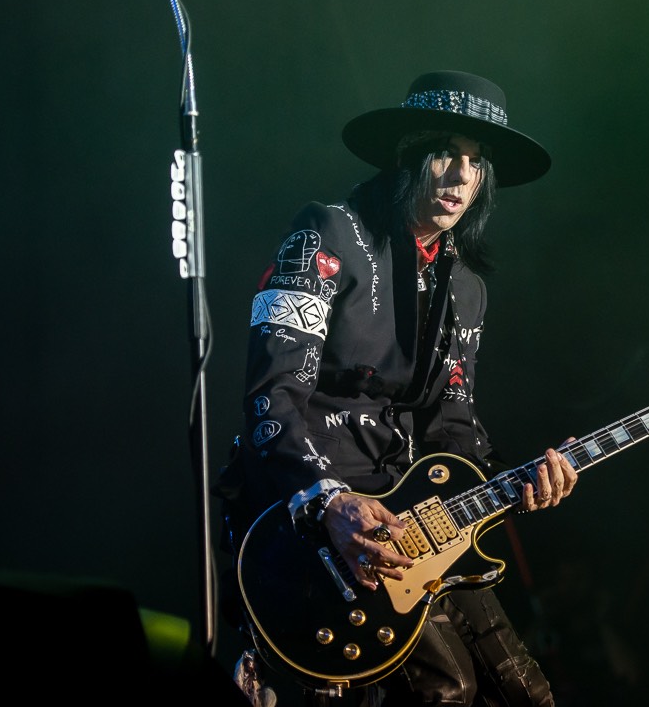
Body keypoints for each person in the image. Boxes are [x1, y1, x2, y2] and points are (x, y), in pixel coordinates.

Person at [216, 70, 578, 706]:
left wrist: (520, 481)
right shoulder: (325, 233)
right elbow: (272, 396)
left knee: (527, 693)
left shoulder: (467, 288)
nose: (460, 176)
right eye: (444, 153)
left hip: (414, 518)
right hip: (315, 515)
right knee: (448, 691)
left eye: (477, 160)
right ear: (407, 155)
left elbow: (453, 428)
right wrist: (329, 501)